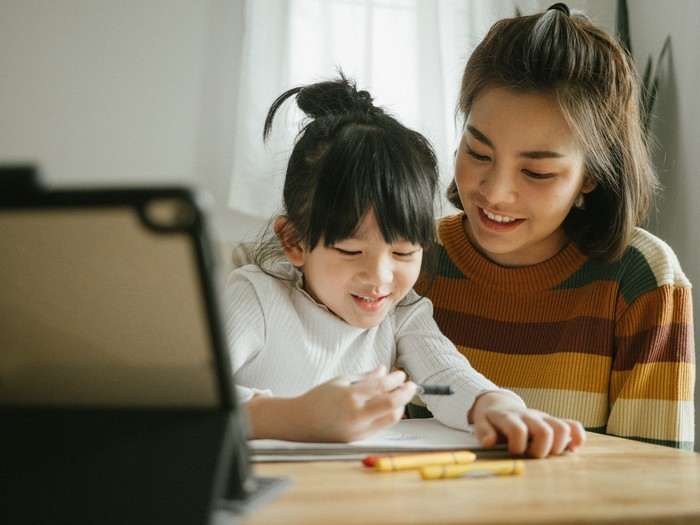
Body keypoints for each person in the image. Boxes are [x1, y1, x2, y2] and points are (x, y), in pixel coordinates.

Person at [224, 73, 586, 457]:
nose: (380, 278)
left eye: (403, 253)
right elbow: (189, 399)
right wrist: (296, 417)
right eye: (349, 251)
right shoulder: (256, 297)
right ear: (294, 242)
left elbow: (448, 377)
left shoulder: (402, 313)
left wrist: (496, 406)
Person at [411, 3, 695, 450]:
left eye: (537, 173)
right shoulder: (409, 258)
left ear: (592, 175)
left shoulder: (640, 281)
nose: (496, 192)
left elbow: (650, 484)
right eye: (478, 153)